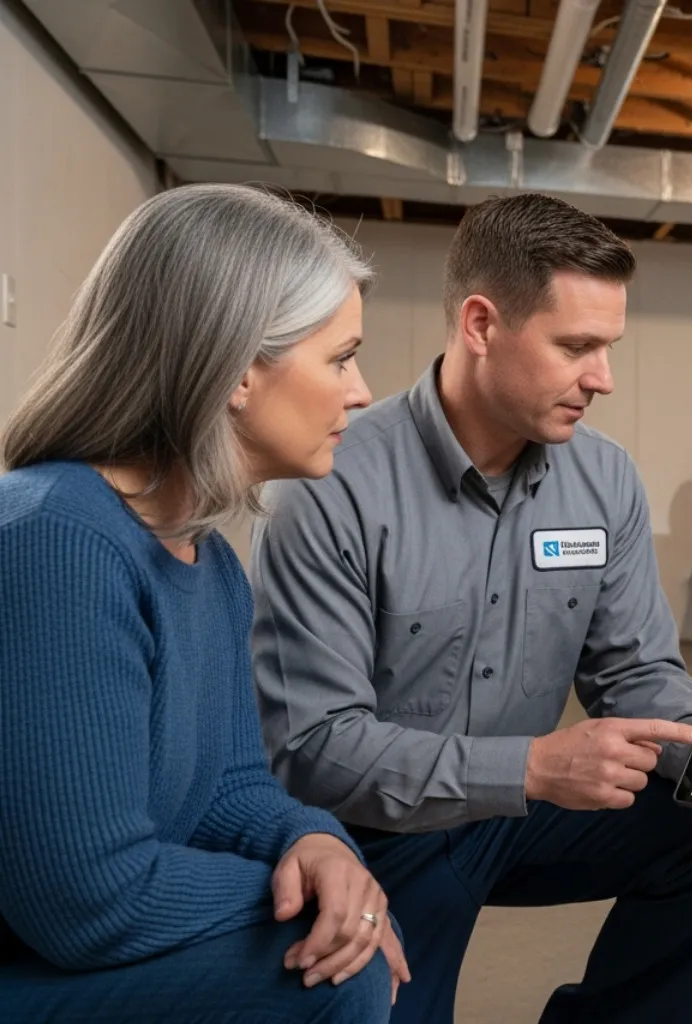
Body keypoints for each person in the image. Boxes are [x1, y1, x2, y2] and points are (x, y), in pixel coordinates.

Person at [249, 193, 692, 1024]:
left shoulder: (605, 477)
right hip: (373, 838)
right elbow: (312, 749)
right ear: (481, 324)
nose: (604, 379)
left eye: (609, 347)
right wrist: (535, 768)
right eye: (577, 347)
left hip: (521, 817)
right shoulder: (333, 485)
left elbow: (636, 670)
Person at [0, 183, 410, 1021]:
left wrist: (317, 844)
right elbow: (84, 899)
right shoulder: (55, 540)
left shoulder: (209, 558)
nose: (362, 391)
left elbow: (229, 788)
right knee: (338, 973)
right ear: (237, 373)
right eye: (339, 358)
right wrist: (328, 904)